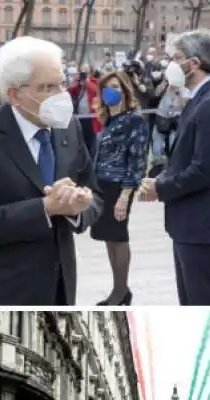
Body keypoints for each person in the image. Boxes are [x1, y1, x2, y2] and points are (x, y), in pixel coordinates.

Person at [0, 35, 103, 306]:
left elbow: (94, 191)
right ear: (14, 94)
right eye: (47, 87)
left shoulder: (68, 127)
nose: (60, 95)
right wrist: (44, 208)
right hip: (4, 291)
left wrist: (80, 207)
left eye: (61, 84)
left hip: (61, 286)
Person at [137, 30, 210, 306]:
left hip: (202, 225)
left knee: (204, 302)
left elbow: (204, 169)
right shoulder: (199, 100)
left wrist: (161, 188)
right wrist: (160, 177)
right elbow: (185, 156)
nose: (170, 64)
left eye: (176, 58)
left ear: (194, 63)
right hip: (190, 224)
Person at [88, 70, 150, 306]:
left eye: (115, 86)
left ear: (125, 91)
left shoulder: (134, 119)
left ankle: (121, 291)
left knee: (118, 236)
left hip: (118, 185)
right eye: (106, 87)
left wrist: (126, 195)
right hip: (102, 184)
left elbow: (137, 159)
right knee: (109, 237)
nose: (110, 91)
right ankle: (119, 289)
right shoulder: (110, 119)